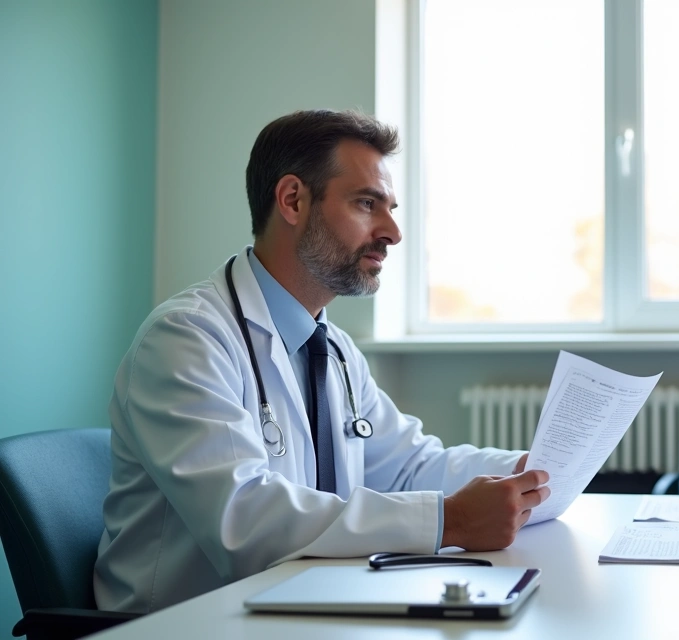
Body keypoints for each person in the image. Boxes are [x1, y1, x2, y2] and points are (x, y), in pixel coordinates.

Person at [94, 110, 550, 613]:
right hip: (188, 624)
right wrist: (449, 520)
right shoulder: (187, 337)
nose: (393, 231)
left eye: (391, 208)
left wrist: (531, 474)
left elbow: (408, 468)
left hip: (300, 609)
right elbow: (242, 521)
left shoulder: (332, 347)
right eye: (366, 203)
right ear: (292, 200)